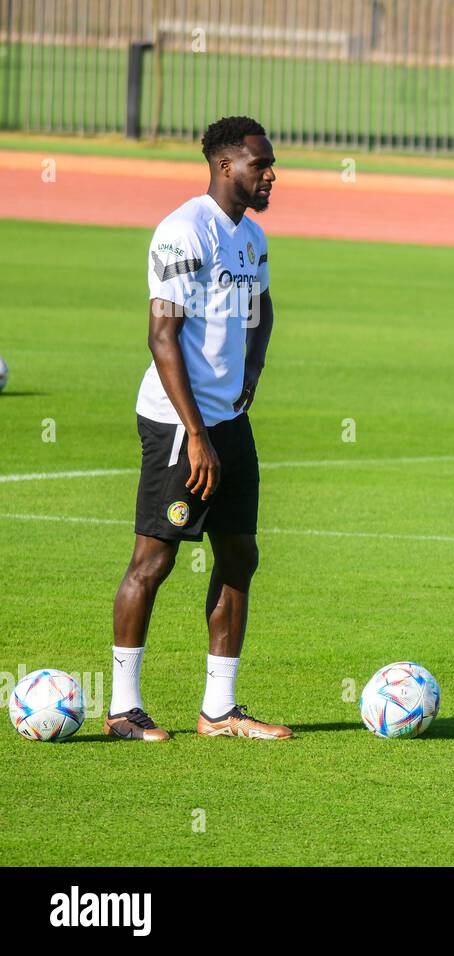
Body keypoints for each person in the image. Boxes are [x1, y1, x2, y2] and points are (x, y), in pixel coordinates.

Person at [106, 115, 290, 741]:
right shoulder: (183, 231)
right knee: (153, 559)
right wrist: (197, 432)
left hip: (229, 423)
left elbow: (263, 311)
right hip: (178, 425)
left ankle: (219, 710)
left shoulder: (252, 237)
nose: (270, 174)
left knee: (239, 552)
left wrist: (251, 378)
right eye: (259, 164)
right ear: (223, 165)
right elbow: (163, 335)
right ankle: (123, 709)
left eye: (270, 164)